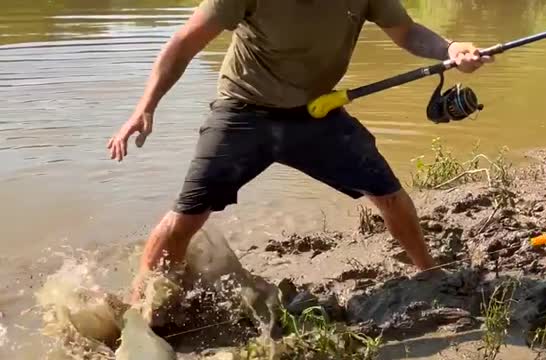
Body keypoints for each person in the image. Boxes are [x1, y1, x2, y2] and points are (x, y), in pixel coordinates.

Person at [107, 0, 493, 302]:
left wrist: (451, 48)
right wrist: (145, 107)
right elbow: (184, 42)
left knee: (388, 194)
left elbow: (406, 32)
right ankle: (142, 304)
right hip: (243, 112)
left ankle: (429, 272)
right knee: (186, 217)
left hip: (316, 113)